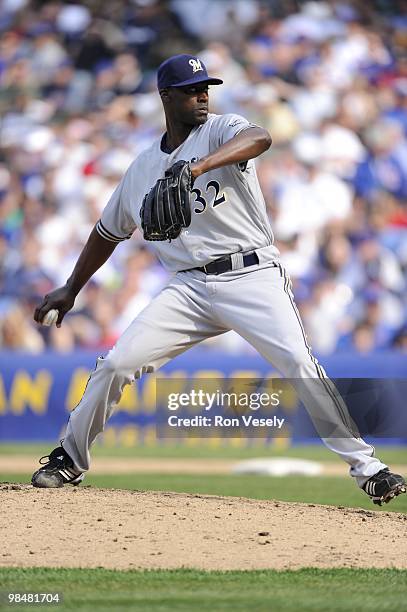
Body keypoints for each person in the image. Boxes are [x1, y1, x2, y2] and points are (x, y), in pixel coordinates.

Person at [31, 54, 405, 506]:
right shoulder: (142, 168)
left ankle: (369, 469)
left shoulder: (221, 129)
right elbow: (106, 232)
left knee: (301, 366)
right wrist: (72, 287)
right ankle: (69, 457)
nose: (202, 94)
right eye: (191, 89)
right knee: (115, 364)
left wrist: (198, 167)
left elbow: (260, 137)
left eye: (205, 86)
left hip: (252, 274)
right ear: (166, 96)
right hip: (187, 287)